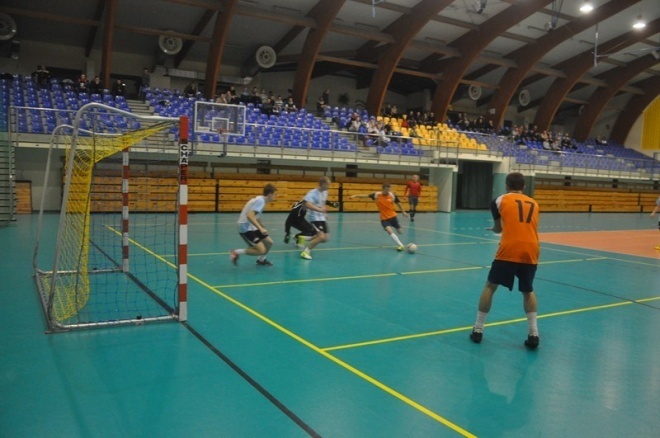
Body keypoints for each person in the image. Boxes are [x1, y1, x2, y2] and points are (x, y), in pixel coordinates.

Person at [470, 172, 541, 349]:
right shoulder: (534, 203)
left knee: (490, 286)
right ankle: (534, 334)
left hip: (509, 248)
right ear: (524, 186)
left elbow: (498, 228)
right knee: (528, 290)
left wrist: (494, 229)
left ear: (506, 185)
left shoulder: (498, 201)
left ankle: (478, 330)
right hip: (532, 249)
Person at [283, 177, 339, 260]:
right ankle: (306, 252)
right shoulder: (312, 193)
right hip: (314, 217)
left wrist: (324, 212)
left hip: (321, 217)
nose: (329, 186)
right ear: (322, 184)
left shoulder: (325, 192)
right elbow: (306, 204)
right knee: (320, 237)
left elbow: (322, 203)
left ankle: (302, 238)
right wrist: (319, 210)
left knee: (325, 238)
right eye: (328, 184)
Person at [350, 183, 408, 251]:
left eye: (389, 189)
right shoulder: (377, 195)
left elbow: (399, 203)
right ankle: (401, 245)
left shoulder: (392, 195)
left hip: (393, 217)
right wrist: (355, 195)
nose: (388, 190)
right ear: (383, 189)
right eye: (386, 189)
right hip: (384, 218)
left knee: (400, 232)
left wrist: (403, 211)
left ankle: (391, 228)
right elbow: (366, 196)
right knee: (389, 231)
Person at [230, 184, 277, 266]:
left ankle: (261, 260)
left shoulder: (261, 200)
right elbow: (250, 215)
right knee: (261, 250)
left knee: (269, 242)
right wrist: (260, 228)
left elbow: (256, 216)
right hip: (244, 227)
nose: (275, 196)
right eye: (274, 194)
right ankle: (236, 252)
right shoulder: (261, 201)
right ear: (270, 194)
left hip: (252, 226)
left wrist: (262, 225)